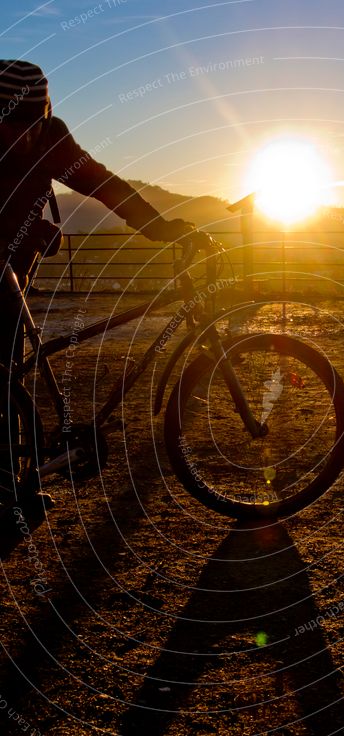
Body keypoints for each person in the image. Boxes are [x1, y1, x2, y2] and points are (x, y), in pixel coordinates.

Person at [0, 59, 201, 512]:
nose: (25, 136)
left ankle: (18, 484)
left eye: (35, 124)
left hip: (18, 265)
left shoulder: (52, 137)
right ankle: (8, 491)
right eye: (14, 125)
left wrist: (159, 226)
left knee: (11, 368)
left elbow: (101, 183)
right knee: (3, 375)